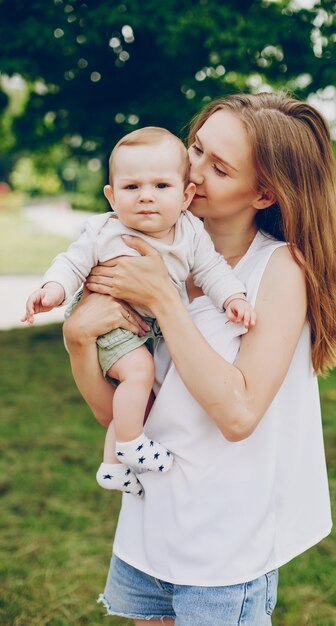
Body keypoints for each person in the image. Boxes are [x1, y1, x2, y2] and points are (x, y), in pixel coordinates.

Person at [63, 91, 336, 626]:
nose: (190, 170)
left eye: (217, 167)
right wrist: (78, 341)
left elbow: (239, 414)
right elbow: (117, 414)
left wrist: (163, 302)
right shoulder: (143, 255)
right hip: (148, 532)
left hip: (223, 552)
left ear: (264, 193)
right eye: (195, 148)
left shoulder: (279, 271)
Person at [22, 127, 255, 498]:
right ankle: (129, 445)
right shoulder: (104, 230)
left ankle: (113, 467)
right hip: (110, 324)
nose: (146, 197)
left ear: (185, 195)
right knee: (140, 372)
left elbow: (212, 269)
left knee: (139, 394)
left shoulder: (190, 232)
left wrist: (233, 298)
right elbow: (71, 263)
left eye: (161, 187)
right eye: (132, 188)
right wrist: (54, 291)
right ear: (112, 197)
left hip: (148, 328)